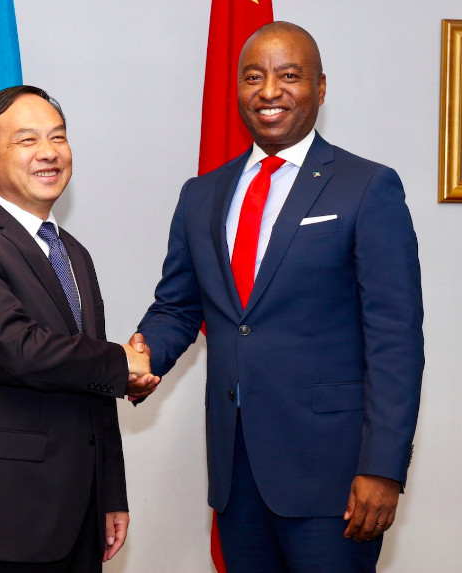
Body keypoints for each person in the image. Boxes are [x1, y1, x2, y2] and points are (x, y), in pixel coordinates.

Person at [130, 22, 424, 572]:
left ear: (320, 87)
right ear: (237, 89)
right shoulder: (201, 195)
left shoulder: (367, 187)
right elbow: (178, 306)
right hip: (236, 475)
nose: (269, 91)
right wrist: (137, 359)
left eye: (289, 76)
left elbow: (396, 340)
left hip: (337, 481)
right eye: (253, 77)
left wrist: (383, 467)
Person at [0, 85, 159, 573]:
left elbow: (89, 383)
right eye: (27, 140)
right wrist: (122, 362)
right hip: (7, 519)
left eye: (58, 137)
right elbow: (18, 350)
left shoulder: (73, 252)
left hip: (82, 513)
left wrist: (110, 492)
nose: (49, 152)